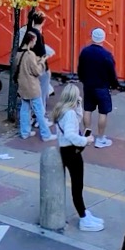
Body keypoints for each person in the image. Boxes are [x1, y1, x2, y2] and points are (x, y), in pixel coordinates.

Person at [51, 83, 104, 232]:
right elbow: (70, 134)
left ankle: (84, 213)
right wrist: (85, 140)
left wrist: (78, 105)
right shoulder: (69, 114)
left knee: (77, 186)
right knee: (77, 186)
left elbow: (78, 119)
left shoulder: (64, 111)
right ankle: (83, 218)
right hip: (72, 152)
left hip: (66, 150)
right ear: (74, 97)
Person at [77, 28, 118, 148]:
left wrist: (83, 80)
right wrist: (114, 85)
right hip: (102, 87)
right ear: (103, 39)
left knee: (87, 109)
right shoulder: (106, 55)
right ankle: (100, 139)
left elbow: (80, 69)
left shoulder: (85, 52)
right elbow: (111, 72)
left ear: (92, 37)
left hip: (88, 85)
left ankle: (87, 136)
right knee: (103, 112)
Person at [15, 31, 52, 141]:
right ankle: (46, 134)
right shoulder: (30, 54)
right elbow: (37, 71)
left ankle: (25, 132)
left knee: (25, 109)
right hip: (32, 87)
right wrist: (42, 61)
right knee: (39, 111)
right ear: (30, 40)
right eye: (35, 41)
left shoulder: (18, 53)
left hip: (23, 86)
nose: (35, 43)